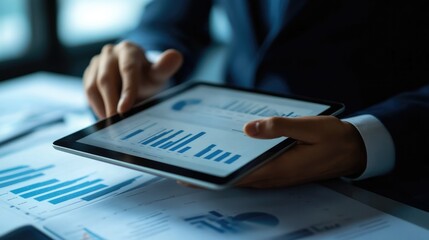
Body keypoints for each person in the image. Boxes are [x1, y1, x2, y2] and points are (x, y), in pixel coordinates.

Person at [83, 0, 429, 188]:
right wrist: (148, 60)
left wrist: (366, 140)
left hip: (398, 174)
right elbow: (167, 20)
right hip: (232, 151)